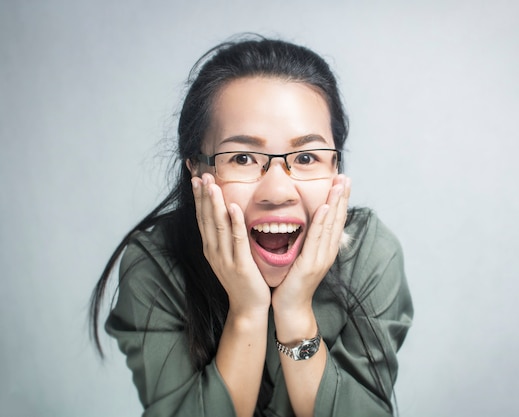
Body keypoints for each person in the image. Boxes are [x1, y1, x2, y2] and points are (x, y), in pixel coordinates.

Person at [90, 36, 413, 417]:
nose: (277, 191)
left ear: (335, 169)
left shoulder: (370, 253)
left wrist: (295, 314)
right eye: (242, 157)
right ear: (196, 168)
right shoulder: (154, 265)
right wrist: (248, 311)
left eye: (307, 156)